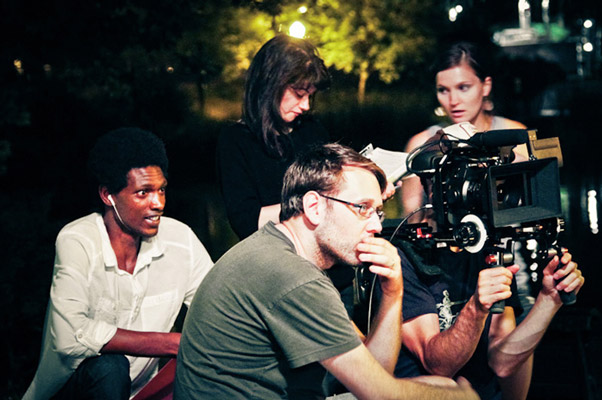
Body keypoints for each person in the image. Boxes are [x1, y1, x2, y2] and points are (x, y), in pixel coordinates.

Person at [174, 143, 478, 400]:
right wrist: (464, 396)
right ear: (315, 207)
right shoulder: (293, 278)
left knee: (439, 385)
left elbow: (375, 368)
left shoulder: (278, 250)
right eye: (362, 208)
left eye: (377, 212)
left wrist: (393, 290)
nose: (375, 226)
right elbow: (380, 393)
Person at [23, 128, 214, 400]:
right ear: (107, 195)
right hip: (71, 391)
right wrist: (171, 343)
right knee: (110, 366)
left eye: (161, 190)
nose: (158, 203)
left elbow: (217, 308)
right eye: (143, 193)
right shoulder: (78, 240)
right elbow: (69, 338)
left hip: (141, 393)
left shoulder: (180, 239)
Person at [391, 179, 585, 398]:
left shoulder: (488, 249)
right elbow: (438, 366)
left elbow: (502, 361)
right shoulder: (405, 256)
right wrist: (476, 307)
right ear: (431, 188)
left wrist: (549, 300)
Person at [216, 34, 331, 241]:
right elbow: (246, 222)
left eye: (310, 96)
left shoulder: (312, 129)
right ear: (271, 85)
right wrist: (309, 206)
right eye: (299, 94)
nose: (305, 106)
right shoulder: (236, 140)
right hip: (275, 254)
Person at [401, 41, 529, 223]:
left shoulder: (514, 134)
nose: (453, 100)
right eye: (443, 90)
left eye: (463, 88)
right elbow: (411, 221)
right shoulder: (421, 145)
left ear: (486, 86)